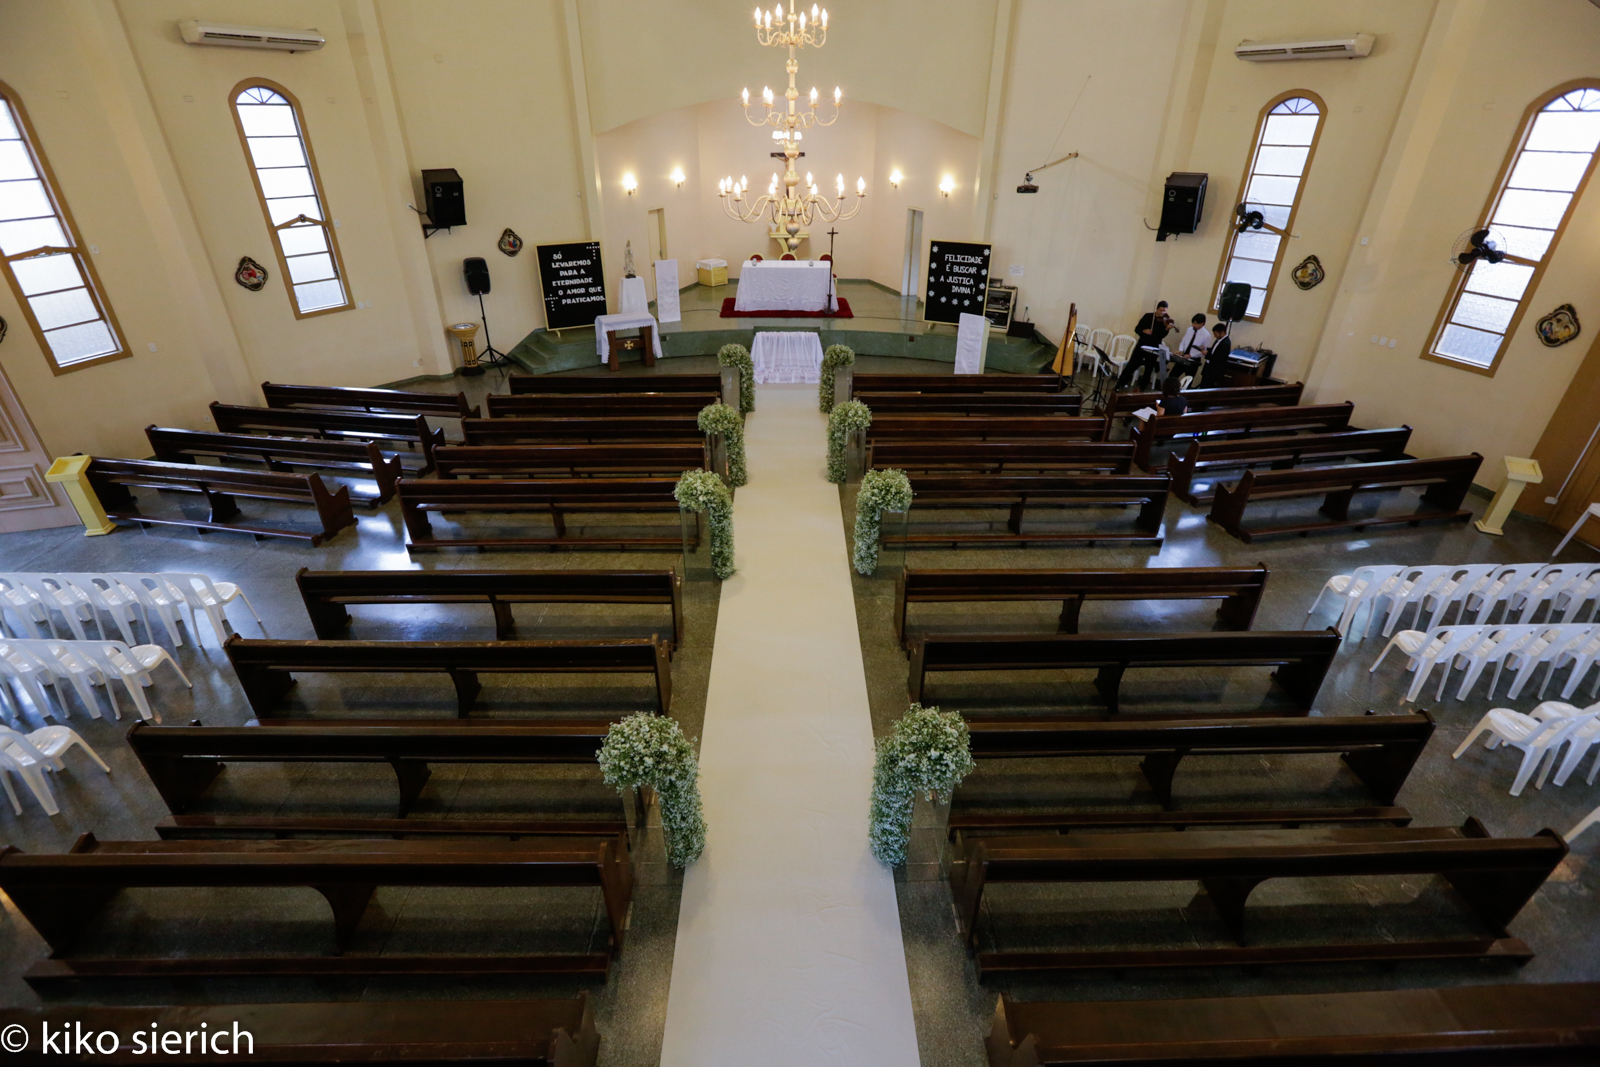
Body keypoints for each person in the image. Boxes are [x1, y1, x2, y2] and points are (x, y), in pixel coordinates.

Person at [1117, 300, 1173, 389]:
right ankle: (1120, 384)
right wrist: (1144, 331)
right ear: (1157, 309)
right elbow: (1137, 329)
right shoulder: (1147, 316)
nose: (1162, 313)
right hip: (1142, 345)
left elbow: (1161, 336)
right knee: (1132, 365)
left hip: (1153, 347)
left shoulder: (1164, 321)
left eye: (1164, 311)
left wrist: (1166, 329)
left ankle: (1142, 387)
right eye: (1161, 310)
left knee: (1148, 369)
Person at [1200, 322, 1232, 389]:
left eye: (1216, 334)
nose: (1215, 336)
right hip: (1208, 368)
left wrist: (1207, 354)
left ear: (1222, 332)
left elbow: (1220, 358)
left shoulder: (1225, 343)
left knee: (1207, 388)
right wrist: (1206, 349)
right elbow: (1215, 350)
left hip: (1214, 371)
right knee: (1203, 385)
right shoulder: (1219, 340)